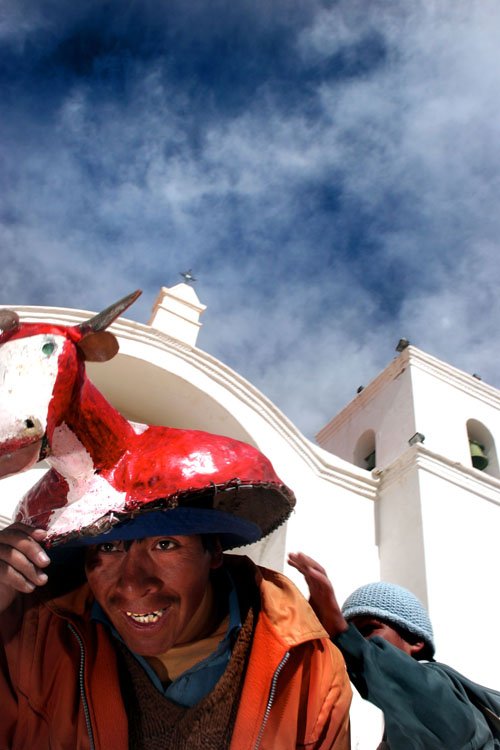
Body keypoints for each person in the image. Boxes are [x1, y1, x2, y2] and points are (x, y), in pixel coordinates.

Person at [0, 492, 351, 749]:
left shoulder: (309, 668)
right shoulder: (36, 640)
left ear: (213, 551)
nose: (133, 584)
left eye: (165, 544)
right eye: (108, 548)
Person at [288, 552, 500, 750]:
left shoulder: (438, 685)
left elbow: (433, 706)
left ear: (415, 640)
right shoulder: (400, 725)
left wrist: (342, 633)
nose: (357, 642)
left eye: (368, 629)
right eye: (353, 634)